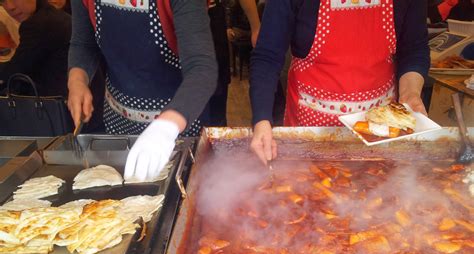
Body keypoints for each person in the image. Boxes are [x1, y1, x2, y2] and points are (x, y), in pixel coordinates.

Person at [249, 0, 430, 165]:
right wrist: (262, 119)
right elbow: (267, 56)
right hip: (311, 128)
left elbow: (414, 48)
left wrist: (410, 93)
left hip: (380, 128)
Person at [68, 0, 217, 182]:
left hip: (178, 126)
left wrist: (166, 127)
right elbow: (83, 43)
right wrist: (77, 80)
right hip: (118, 124)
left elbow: (201, 67)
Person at [0, 0, 71, 96]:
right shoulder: (52, 15)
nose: (10, 7)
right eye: (3, 1)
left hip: (64, 104)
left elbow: (14, 71)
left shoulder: (39, 23)